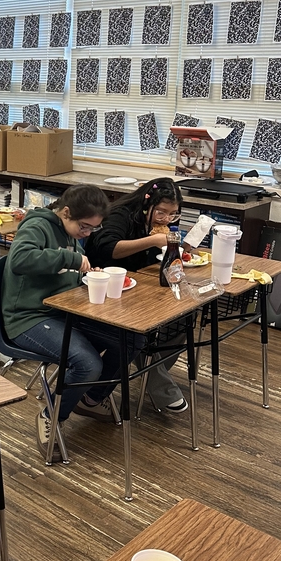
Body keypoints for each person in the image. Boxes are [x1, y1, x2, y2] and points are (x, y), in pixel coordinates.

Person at [1, 185, 142, 443]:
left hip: (63, 311)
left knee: (133, 340)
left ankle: (90, 398)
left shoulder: (69, 232)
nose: (86, 233)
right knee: (88, 364)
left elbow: (66, 268)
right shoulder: (37, 227)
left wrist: (86, 273)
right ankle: (52, 414)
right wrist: (69, 259)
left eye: (92, 229)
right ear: (66, 212)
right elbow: (20, 259)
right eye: (85, 227)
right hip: (28, 318)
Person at [86, 177, 188, 413]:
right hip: (107, 288)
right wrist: (153, 240)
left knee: (182, 317)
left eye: (173, 214)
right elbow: (109, 248)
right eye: (161, 212)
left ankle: (153, 376)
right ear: (146, 203)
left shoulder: (161, 224)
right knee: (141, 329)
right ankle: (161, 387)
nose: (165, 219)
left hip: (140, 284)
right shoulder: (120, 214)